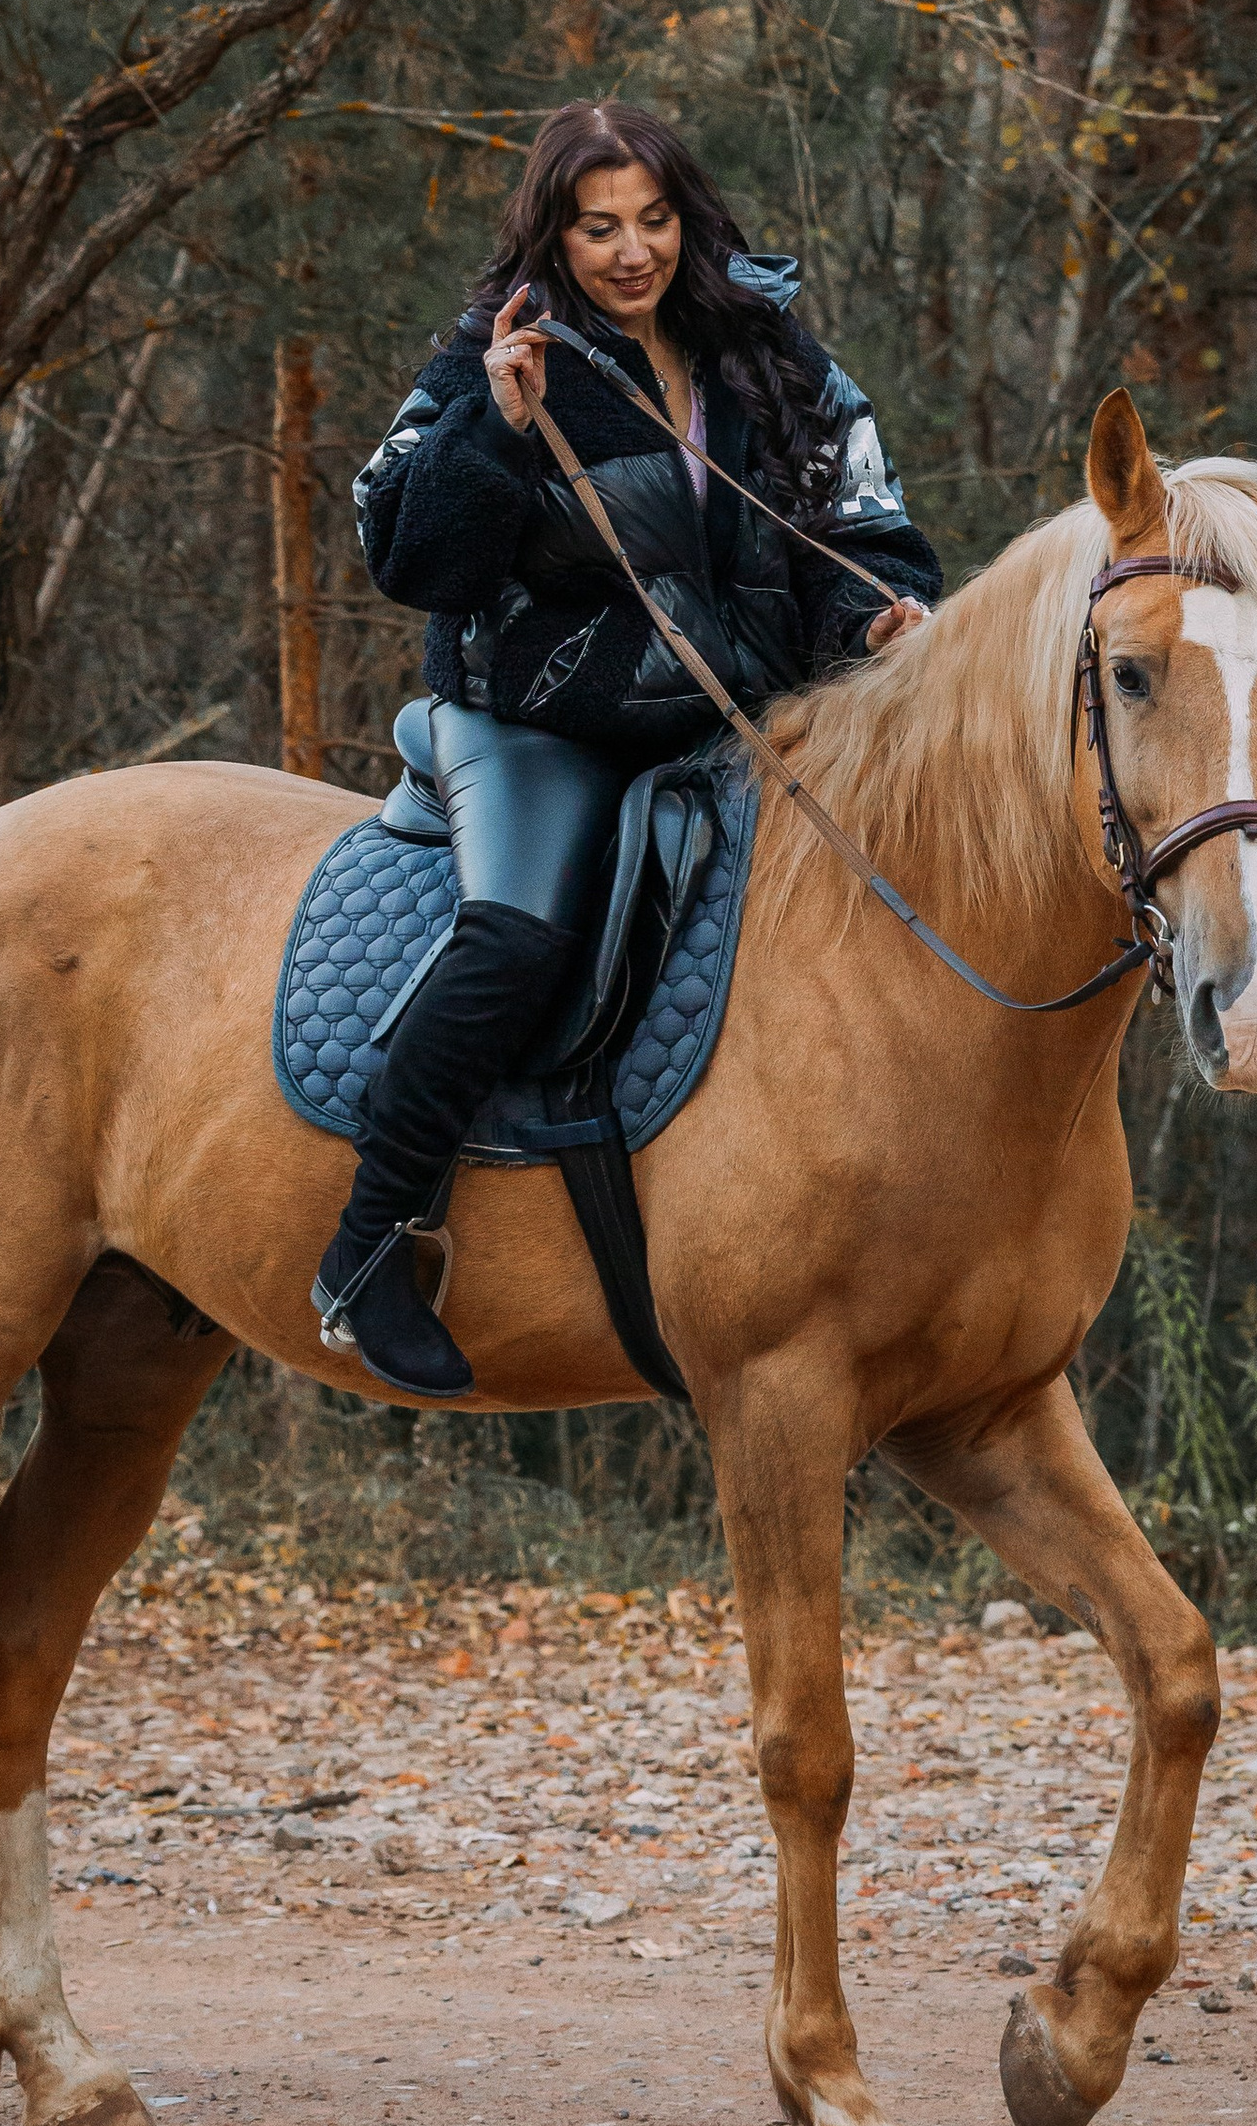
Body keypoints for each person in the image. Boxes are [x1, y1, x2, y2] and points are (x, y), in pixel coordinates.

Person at [318, 100, 940, 1396]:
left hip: (743, 720)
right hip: (537, 719)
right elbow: (409, 556)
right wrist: (496, 427)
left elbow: (861, 530)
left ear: (688, 218)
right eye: (598, 227)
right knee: (516, 936)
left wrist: (879, 615)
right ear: (554, 234)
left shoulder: (770, 353)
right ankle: (371, 1242)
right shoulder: (493, 352)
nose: (632, 251)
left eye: (653, 220)